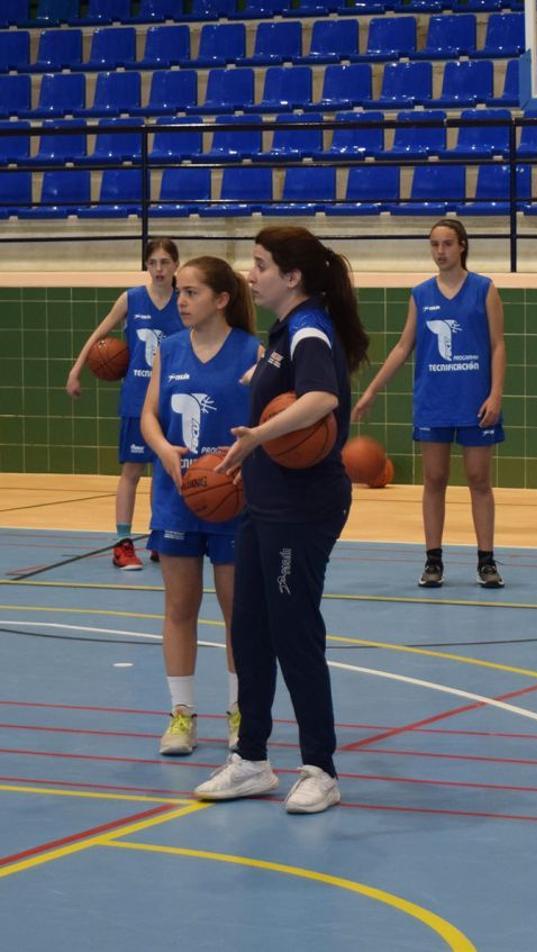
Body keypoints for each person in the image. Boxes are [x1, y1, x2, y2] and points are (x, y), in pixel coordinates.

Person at [193, 227, 369, 814]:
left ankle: (320, 767)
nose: (251, 275)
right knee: (250, 630)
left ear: (292, 277)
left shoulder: (310, 328)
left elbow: (321, 402)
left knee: (294, 631)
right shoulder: (284, 332)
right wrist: (255, 458)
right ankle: (251, 760)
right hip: (265, 499)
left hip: (304, 506)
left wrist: (255, 440)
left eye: (261, 265)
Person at [140, 256, 261, 756]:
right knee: (179, 608)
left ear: (222, 299)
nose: (181, 300)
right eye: (181, 292)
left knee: (239, 615)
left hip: (233, 499)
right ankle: (181, 715)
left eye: (191, 293)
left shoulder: (254, 351)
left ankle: (240, 713)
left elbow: (269, 423)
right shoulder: (169, 349)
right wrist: (164, 450)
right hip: (177, 498)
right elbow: (149, 415)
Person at [353, 219, 507, 589]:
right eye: (435, 244)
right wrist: (373, 389)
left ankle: (486, 561)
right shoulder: (420, 294)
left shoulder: (484, 289)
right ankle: (433, 560)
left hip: (475, 400)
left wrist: (496, 393)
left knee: (478, 480)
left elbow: (498, 345)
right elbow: (404, 347)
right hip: (434, 399)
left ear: (462, 246)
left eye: (447, 244)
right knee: (434, 479)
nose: (440, 251)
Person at [67, 239, 183, 570]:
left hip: (172, 398)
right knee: (132, 471)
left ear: (176, 265)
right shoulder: (131, 299)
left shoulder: (185, 301)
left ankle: (161, 535)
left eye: (165, 262)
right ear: (146, 266)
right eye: (153, 263)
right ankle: (123, 543)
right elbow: (98, 335)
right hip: (137, 397)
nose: (159, 269)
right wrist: (77, 369)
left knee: (167, 469)